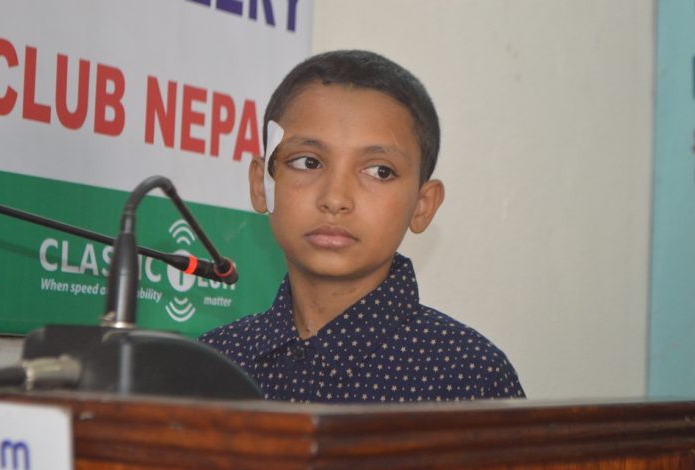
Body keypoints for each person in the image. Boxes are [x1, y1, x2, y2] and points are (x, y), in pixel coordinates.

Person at [200, 50, 524, 403]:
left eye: (379, 171)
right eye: (307, 162)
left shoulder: (468, 378)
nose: (335, 198)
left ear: (422, 205)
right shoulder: (211, 366)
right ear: (261, 184)